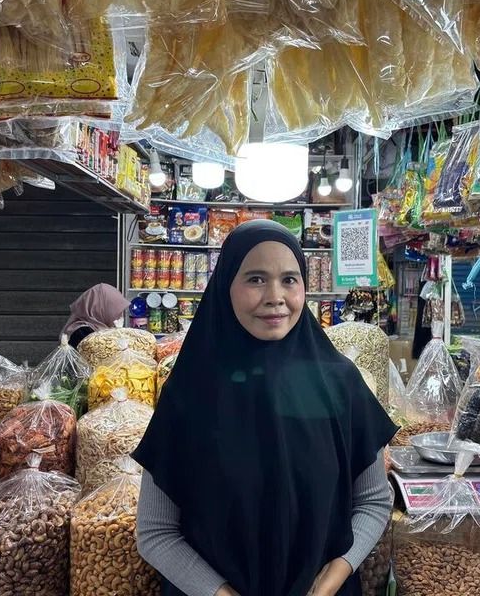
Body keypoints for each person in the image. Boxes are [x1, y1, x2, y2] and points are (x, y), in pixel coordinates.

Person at [134, 220, 397, 596]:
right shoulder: (190, 393)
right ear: (226, 286)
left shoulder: (339, 383)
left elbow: (373, 500)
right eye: (256, 279)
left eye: (290, 279)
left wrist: (332, 578)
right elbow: (156, 532)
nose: (275, 296)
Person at [63, 283, 130, 348]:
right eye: (115, 311)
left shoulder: (100, 328)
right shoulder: (83, 333)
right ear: (100, 309)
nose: (120, 315)